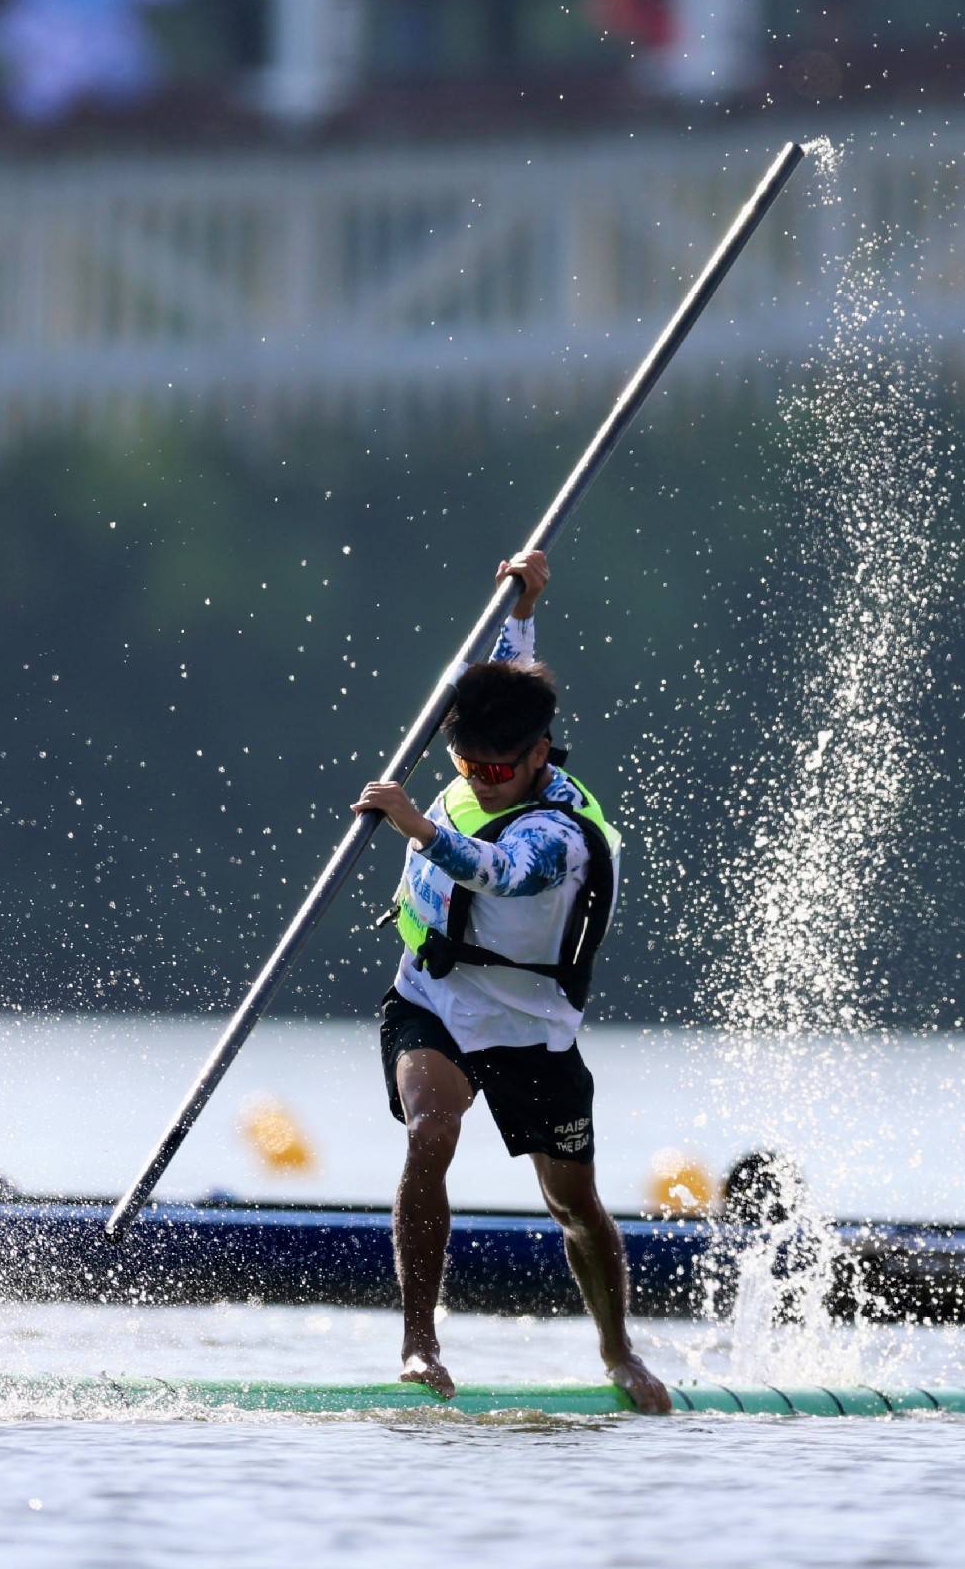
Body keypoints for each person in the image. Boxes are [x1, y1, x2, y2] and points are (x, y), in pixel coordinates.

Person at [354, 548, 670, 1413]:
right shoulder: (486, 746)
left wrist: (414, 822)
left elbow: (496, 873)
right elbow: (498, 672)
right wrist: (522, 606)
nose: (479, 781)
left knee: (573, 1203)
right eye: (465, 767)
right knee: (430, 1133)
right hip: (433, 1000)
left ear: (536, 756)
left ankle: (619, 1354)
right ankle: (420, 1346)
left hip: (531, 1027)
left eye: (497, 770)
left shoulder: (558, 835)